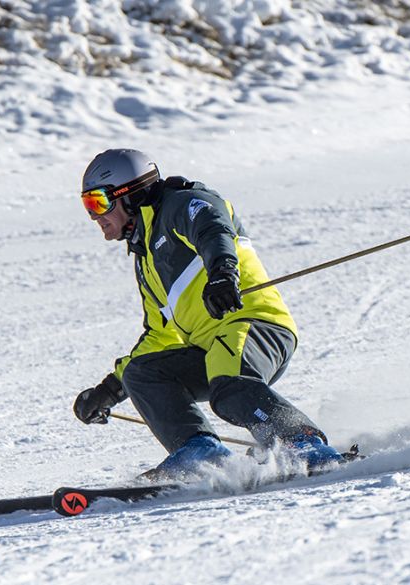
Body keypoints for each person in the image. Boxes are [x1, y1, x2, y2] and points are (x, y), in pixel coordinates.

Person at [72, 148, 344, 480]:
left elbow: (214, 227)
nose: (94, 216)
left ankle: (303, 444)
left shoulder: (180, 204)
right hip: (212, 348)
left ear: (130, 194)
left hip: (254, 324)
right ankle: (201, 454)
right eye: (87, 206)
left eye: (99, 203)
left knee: (229, 387)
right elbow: (159, 334)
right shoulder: (146, 257)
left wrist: (222, 274)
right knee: (143, 373)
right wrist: (110, 390)